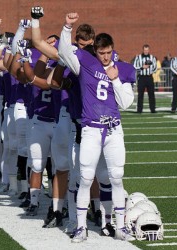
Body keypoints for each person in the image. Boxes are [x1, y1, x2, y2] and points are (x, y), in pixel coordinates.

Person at [58, 12, 136, 242]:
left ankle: (119, 226)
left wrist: (115, 79)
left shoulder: (121, 69)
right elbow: (63, 50)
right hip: (91, 127)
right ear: (95, 50)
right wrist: (66, 27)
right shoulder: (85, 61)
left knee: (116, 176)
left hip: (113, 128)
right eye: (101, 53)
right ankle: (81, 227)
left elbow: (126, 103)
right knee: (85, 177)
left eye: (108, 52)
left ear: (113, 49)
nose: (104, 57)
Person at [133, 44, 157, 113]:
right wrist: (142, 67)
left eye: (147, 50)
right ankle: (139, 109)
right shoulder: (138, 57)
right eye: (145, 50)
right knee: (140, 94)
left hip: (149, 77)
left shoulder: (152, 57)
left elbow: (155, 67)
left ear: (149, 50)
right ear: (143, 50)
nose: (146, 51)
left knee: (151, 94)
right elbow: (134, 67)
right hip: (142, 77)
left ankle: (153, 109)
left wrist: (151, 71)